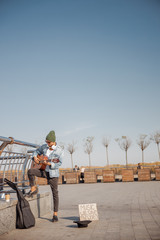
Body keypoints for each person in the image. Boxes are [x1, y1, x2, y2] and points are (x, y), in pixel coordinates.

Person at [27, 130, 64, 222]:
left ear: (53, 141)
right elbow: (35, 152)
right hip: (43, 171)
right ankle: (33, 188)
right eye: (46, 142)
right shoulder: (44, 147)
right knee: (30, 171)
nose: (47, 143)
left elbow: (59, 163)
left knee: (55, 193)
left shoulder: (60, 150)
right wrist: (35, 157)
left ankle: (55, 214)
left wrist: (50, 163)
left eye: (49, 142)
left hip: (53, 174)